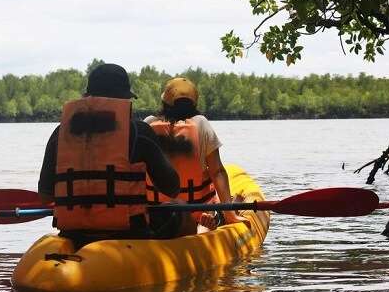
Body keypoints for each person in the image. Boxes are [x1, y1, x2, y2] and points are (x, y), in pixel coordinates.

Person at [38, 63, 185, 246]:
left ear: (87, 96)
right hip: (130, 234)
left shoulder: (60, 133)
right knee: (179, 206)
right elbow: (172, 188)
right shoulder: (139, 131)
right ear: (123, 98)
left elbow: (45, 195)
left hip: (73, 234)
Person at [145, 77, 248, 231]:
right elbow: (217, 171)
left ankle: (204, 219)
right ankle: (215, 216)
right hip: (193, 209)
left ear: (164, 102)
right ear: (194, 104)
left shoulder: (148, 124)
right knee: (221, 200)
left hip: (156, 212)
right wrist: (230, 214)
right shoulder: (201, 124)